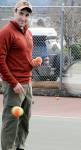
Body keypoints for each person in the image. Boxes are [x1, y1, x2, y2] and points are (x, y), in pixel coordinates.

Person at [0, 0, 41, 150]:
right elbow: (1, 61)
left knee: (25, 121)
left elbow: (25, 58)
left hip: (27, 83)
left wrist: (32, 62)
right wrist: (13, 83)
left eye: (26, 15)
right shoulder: (6, 32)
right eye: (21, 13)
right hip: (13, 86)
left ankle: (20, 147)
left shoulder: (28, 33)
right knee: (11, 122)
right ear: (14, 12)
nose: (23, 17)